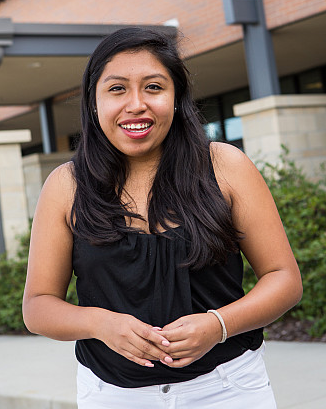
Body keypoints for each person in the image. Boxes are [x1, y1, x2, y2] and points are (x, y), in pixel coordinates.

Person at [23, 27, 302, 408]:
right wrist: (101, 324)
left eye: (153, 87)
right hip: (113, 395)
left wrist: (217, 325)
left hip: (227, 388)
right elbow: (38, 306)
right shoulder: (66, 186)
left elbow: (284, 279)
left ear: (176, 99)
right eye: (117, 89)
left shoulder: (224, 166)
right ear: (93, 102)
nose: (136, 104)